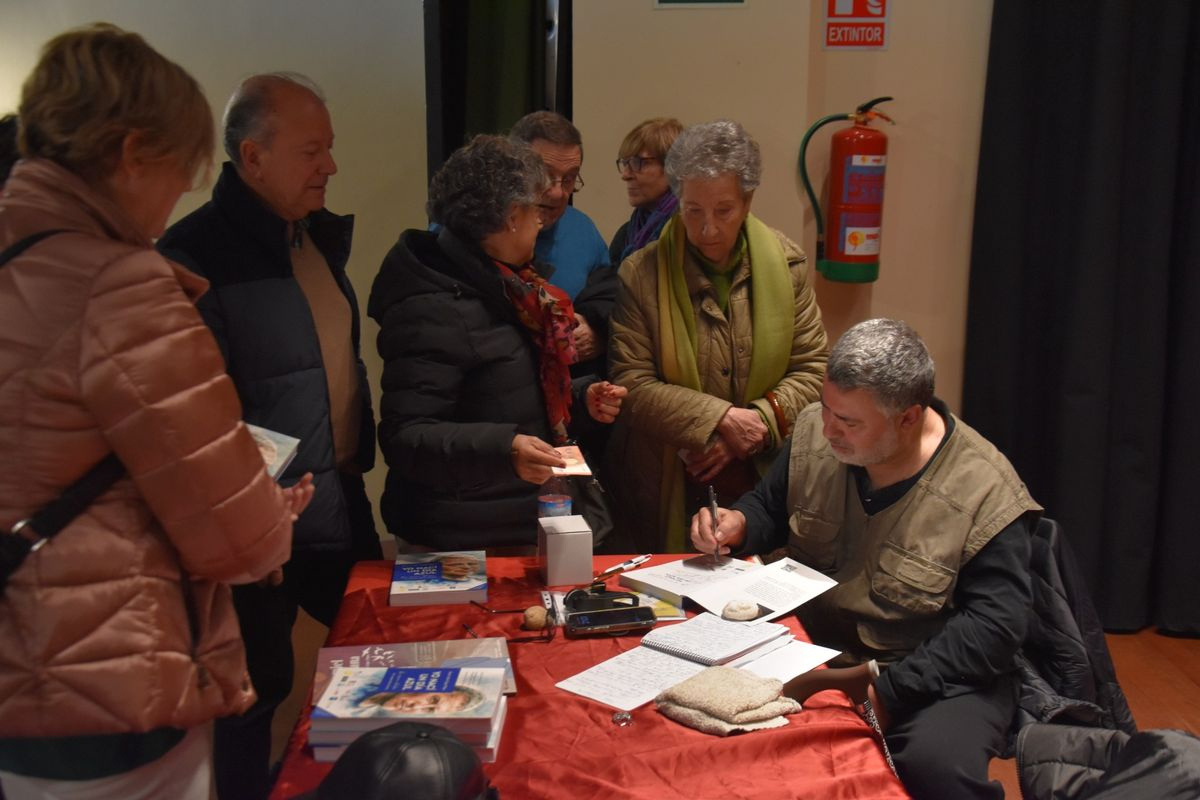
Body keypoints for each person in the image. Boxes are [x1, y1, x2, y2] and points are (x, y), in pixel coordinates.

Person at [0, 24, 309, 799]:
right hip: (108, 681)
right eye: (182, 170)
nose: (178, 198)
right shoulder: (122, 285)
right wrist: (274, 515)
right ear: (134, 153)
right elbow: (235, 537)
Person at [690, 319, 1043, 800]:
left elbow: (994, 629)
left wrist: (892, 692)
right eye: (827, 408)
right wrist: (739, 523)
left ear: (908, 418)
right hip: (812, 646)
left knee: (935, 769)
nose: (828, 429)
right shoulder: (820, 429)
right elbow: (772, 506)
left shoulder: (983, 490)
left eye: (849, 422)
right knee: (717, 742)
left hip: (929, 670)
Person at [157, 73, 380, 800]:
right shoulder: (193, 258)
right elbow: (194, 421)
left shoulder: (309, 237)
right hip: (259, 525)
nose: (331, 167)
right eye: (312, 151)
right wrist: (252, 516)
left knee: (369, 658)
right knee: (255, 695)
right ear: (253, 158)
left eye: (332, 148)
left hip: (336, 495)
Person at [368, 135, 626, 551]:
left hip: (515, 519)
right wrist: (504, 449)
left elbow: (509, 394)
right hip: (459, 539)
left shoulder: (512, 287)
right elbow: (406, 437)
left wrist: (583, 398)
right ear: (510, 216)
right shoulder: (432, 305)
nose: (541, 223)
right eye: (535, 212)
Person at [607, 119, 828, 553]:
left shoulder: (788, 265)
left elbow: (814, 368)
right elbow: (631, 383)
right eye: (693, 210)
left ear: (747, 201)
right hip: (666, 479)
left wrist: (758, 425)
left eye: (723, 211)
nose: (707, 229)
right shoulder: (641, 272)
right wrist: (722, 421)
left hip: (761, 484)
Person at [509, 111, 613, 377]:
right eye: (545, 175)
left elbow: (610, 296)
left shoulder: (583, 230)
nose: (557, 192)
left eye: (569, 178)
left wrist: (596, 329)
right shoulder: (476, 230)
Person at [608, 117, 684, 265]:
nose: (625, 175)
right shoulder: (625, 235)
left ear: (672, 167)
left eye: (638, 162)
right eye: (625, 163)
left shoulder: (689, 233)